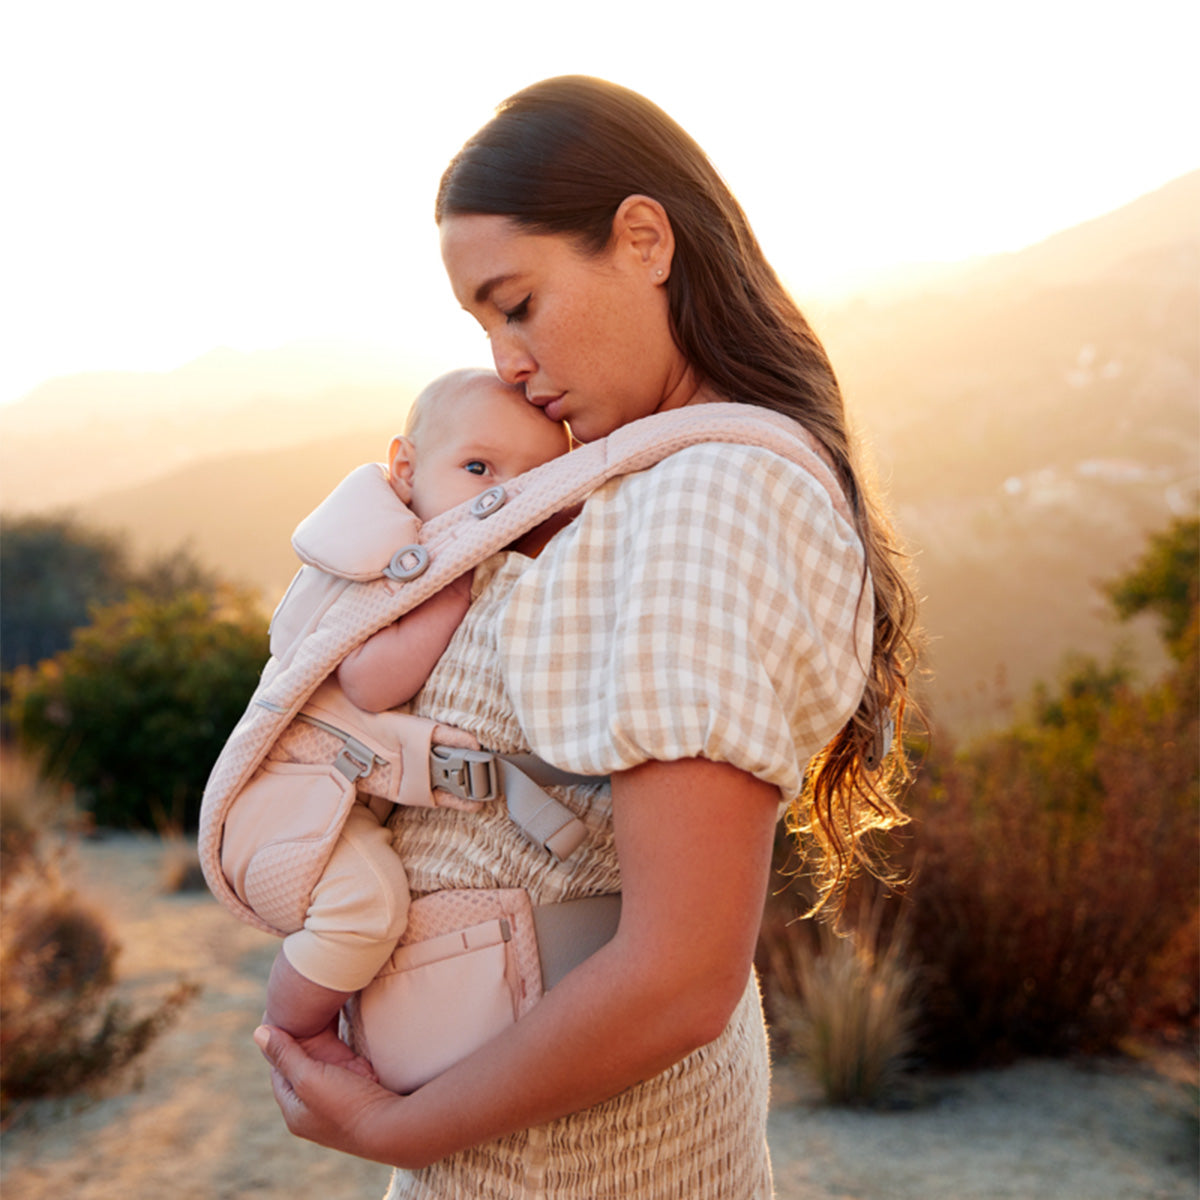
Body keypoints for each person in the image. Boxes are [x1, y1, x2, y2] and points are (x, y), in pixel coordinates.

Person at [253, 75, 917, 1198]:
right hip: (541, 1143)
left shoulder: (708, 498)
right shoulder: (641, 485)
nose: (507, 361)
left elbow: (676, 976)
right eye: (481, 324)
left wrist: (398, 1133)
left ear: (644, 238)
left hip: (587, 1168)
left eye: (517, 303)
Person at [253, 367, 571, 1080]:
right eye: (478, 468)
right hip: (291, 790)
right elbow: (368, 680)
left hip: (346, 791)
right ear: (405, 469)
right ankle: (294, 1035)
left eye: (536, 480)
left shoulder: (442, 543)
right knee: (363, 908)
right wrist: (451, 591)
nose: (502, 499)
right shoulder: (411, 564)